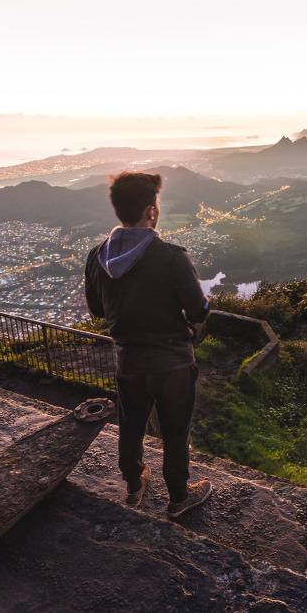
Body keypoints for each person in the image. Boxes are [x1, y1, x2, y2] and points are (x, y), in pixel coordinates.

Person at [84, 171, 213, 518]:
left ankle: (133, 486)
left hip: (128, 360)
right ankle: (179, 497)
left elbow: (97, 308)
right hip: (172, 362)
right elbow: (198, 310)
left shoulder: (97, 257)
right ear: (151, 211)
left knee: (132, 425)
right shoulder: (171, 257)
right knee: (174, 432)